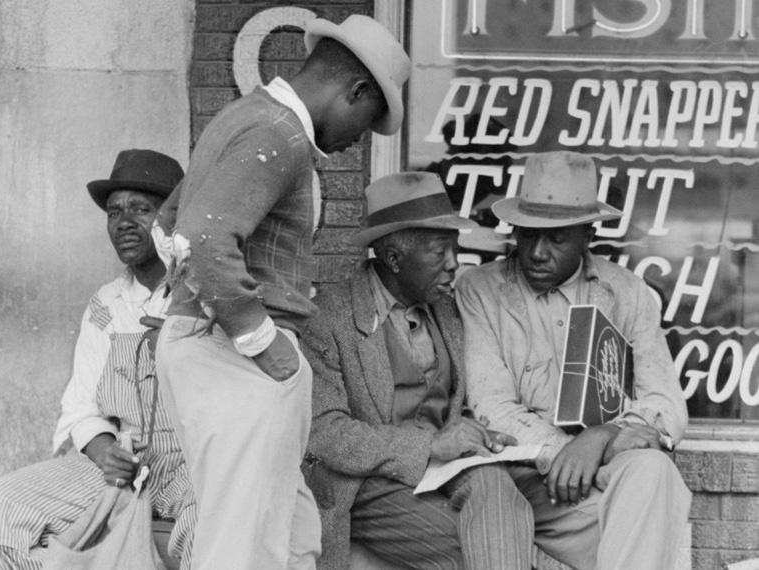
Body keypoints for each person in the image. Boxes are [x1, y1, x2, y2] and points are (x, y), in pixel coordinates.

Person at [155, 14, 410, 570]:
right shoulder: (281, 132)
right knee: (244, 551)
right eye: (365, 123)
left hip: (212, 343)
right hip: (237, 353)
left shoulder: (244, 117)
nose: (353, 144)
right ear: (356, 90)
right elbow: (199, 237)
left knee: (292, 542)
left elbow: (168, 222)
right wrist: (259, 337)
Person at [456, 151, 692, 570]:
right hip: (522, 479)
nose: (537, 253)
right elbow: (491, 408)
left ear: (588, 234)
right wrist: (569, 451)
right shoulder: (480, 289)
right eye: (527, 235)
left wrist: (600, 438)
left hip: (602, 476)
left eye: (557, 238)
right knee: (652, 519)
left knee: (653, 472)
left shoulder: (625, 291)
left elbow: (666, 403)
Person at [0, 149, 195, 570]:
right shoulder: (105, 305)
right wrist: (104, 449)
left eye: (141, 209)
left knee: (216, 522)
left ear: (173, 218)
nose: (124, 222)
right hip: (125, 466)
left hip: (195, 462)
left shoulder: (204, 293)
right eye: (114, 212)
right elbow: (81, 406)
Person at [301, 172, 536, 570]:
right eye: (439, 252)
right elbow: (324, 434)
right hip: (367, 485)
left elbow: (450, 402)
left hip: (444, 472)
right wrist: (428, 447)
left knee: (495, 486)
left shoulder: (446, 310)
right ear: (394, 258)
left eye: (455, 250)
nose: (453, 265)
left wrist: (476, 432)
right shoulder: (328, 318)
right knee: (475, 549)